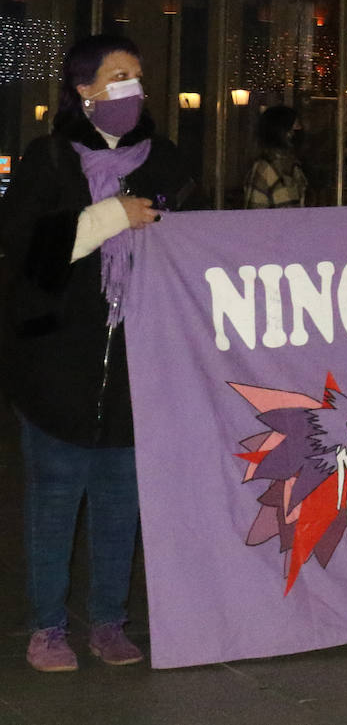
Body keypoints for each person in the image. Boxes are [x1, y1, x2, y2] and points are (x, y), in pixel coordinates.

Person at [0, 33, 194, 671]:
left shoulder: (164, 161)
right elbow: (29, 260)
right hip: (57, 370)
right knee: (55, 501)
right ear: (83, 90)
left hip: (138, 365)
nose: (132, 88)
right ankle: (48, 627)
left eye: (137, 75)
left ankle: (110, 621)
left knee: (119, 503)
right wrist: (110, 217)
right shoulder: (47, 161)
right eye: (117, 75)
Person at [243, 105, 307, 209]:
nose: (300, 130)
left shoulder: (295, 167)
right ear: (285, 133)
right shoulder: (265, 170)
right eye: (295, 127)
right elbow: (255, 215)